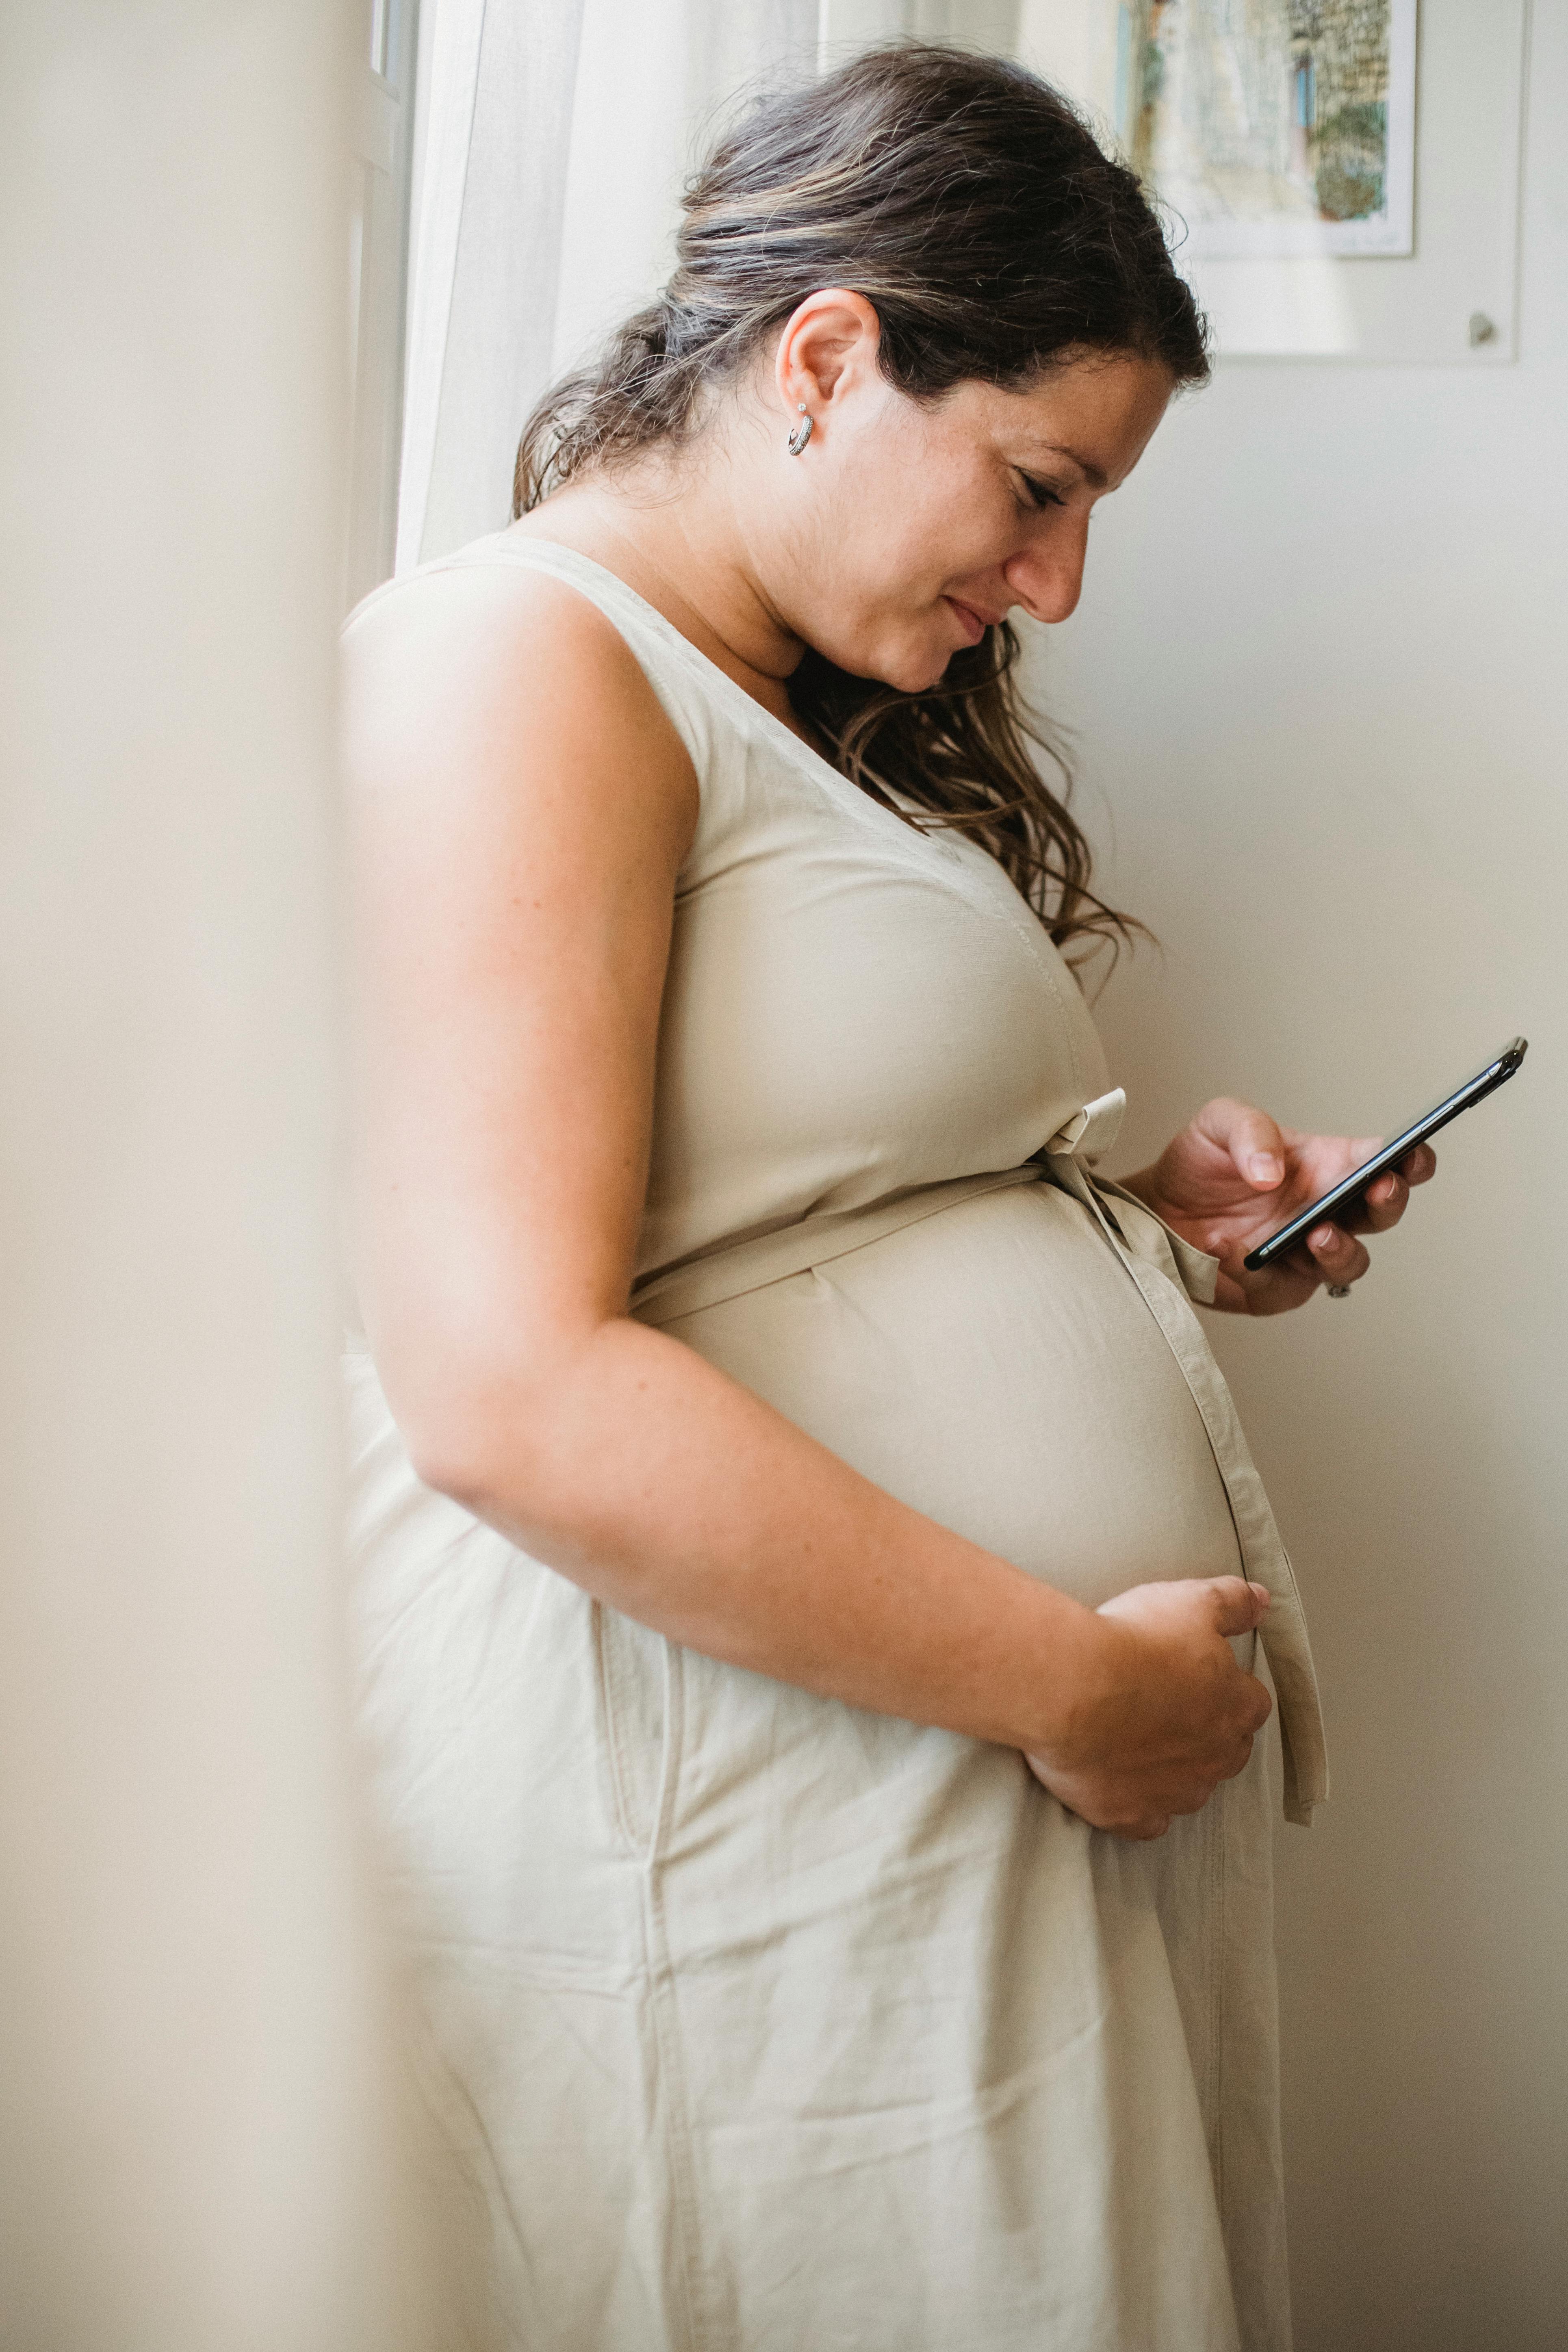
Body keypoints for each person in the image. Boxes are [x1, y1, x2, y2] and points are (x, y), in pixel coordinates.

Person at [341, 44, 1434, 2352]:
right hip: (742, 1799)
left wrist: (1145, 1227)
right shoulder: (513, 660)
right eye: (1036, 484)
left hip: (917, 1801)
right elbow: (501, 1382)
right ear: (827, 354)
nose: (1050, 579)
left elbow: (769, 1228)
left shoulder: (766, 705)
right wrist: (1067, 1685)